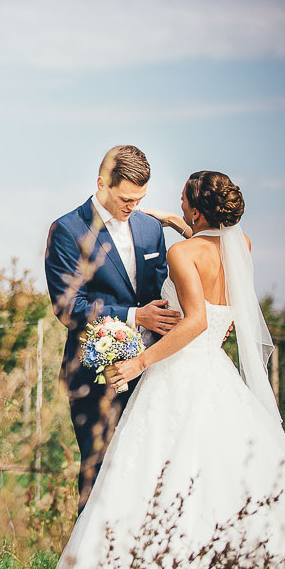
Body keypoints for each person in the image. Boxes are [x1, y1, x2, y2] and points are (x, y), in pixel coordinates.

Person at [45, 171, 285, 569]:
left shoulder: (180, 252)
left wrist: (138, 363)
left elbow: (192, 321)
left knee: (156, 473)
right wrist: (179, 220)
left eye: (181, 201)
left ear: (196, 209)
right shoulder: (241, 246)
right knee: (226, 471)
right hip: (217, 370)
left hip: (174, 370)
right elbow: (215, 281)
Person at [44, 145, 177, 512]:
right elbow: (68, 307)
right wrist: (136, 317)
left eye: (140, 198)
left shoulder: (151, 230)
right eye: (126, 198)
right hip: (94, 376)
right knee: (100, 478)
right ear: (101, 183)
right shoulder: (68, 230)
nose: (133, 206)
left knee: (150, 479)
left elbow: (163, 295)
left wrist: (201, 322)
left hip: (152, 373)